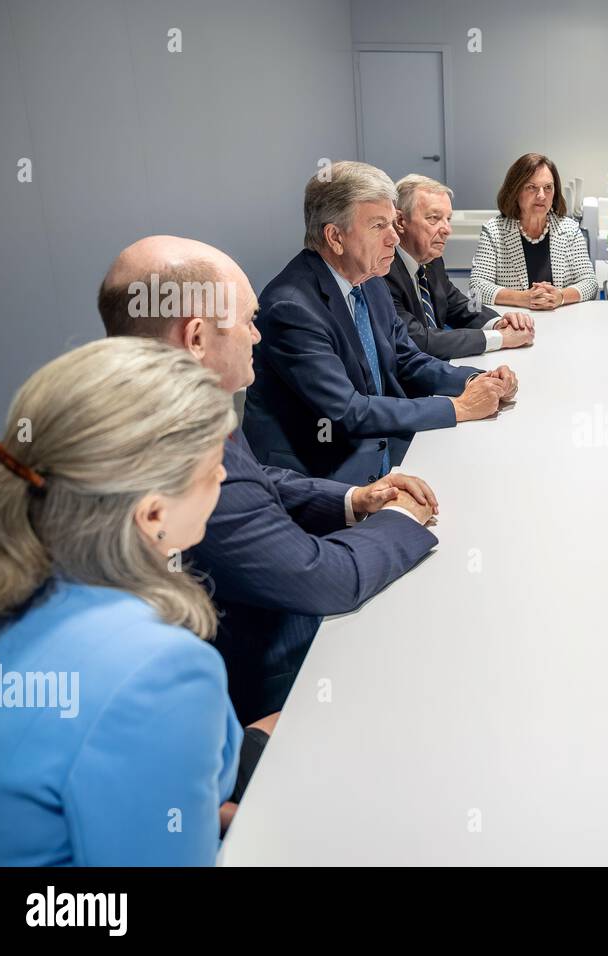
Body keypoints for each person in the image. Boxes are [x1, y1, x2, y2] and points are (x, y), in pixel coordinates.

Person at [98, 235, 441, 723]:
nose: (256, 336)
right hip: (261, 682)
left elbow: (257, 478)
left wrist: (354, 499)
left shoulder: (153, 401)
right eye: (246, 321)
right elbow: (323, 578)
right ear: (196, 338)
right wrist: (402, 520)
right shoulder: (180, 450)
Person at [0, 338, 241, 865]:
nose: (225, 476)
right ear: (151, 515)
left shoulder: (7, 589)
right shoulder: (158, 671)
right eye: (214, 468)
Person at [244, 160, 516, 484]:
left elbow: (406, 358)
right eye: (378, 226)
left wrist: (475, 381)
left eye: (392, 224)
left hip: (384, 450)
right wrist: (459, 408)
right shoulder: (291, 308)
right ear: (335, 237)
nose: (395, 239)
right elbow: (348, 412)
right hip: (323, 480)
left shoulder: (370, 279)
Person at [387, 173, 535, 359]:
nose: (447, 230)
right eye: (434, 218)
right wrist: (499, 338)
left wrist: (497, 322)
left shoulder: (431, 259)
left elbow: (459, 303)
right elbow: (419, 339)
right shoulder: (383, 270)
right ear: (401, 221)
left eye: (448, 219)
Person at [469, 152, 599, 311]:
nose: (541, 195)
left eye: (548, 188)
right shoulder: (494, 230)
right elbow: (476, 288)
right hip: (514, 325)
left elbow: (590, 284)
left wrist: (560, 296)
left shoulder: (569, 229)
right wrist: (523, 298)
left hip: (562, 323)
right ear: (515, 191)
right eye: (531, 187)